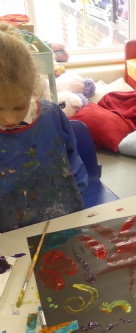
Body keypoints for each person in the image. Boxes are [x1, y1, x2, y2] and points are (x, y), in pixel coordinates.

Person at [0, 22, 88, 234]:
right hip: (10, 231)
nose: (9, 118)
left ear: (33, 89)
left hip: (62, 216)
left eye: (19, 106)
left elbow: (71, 158)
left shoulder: (51, 115)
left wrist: (78, 191)